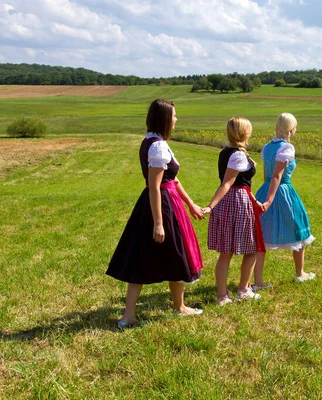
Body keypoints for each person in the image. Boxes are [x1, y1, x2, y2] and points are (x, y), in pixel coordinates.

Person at [106, 99, 205, 329]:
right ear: (165, 120)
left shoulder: (154, 142)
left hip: (166, 203)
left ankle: (178, 307)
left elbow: (173, 179)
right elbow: (155, 185)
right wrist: (159, 223)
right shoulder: (157, 146)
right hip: (162, 206)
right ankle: (130, 315)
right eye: (174, 116)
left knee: (173, 256)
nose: (176, 120)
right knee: (158, 256)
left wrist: (190, 204)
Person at [202, 117, 265, 305]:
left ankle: (222, 295)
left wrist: (255, 200)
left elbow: (242, 183)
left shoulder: (225, 152)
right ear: (245, 133)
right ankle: (243, 289)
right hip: (236, 202)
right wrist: (210, 206)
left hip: (234, 200)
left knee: (226, 252)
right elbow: (228, 183)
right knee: (251, 248)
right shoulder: (238, 155)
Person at [253, 113, 315, 290]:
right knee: (298, 229)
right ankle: (299, 273)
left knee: (262, 235)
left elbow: (266, 175)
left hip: (265, 190)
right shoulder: (287, 148)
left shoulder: (267, 147)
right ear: (291, 129)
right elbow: (277, 176)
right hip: (283, 191)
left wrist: (265, 195)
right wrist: (271, 199)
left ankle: (258, 281)